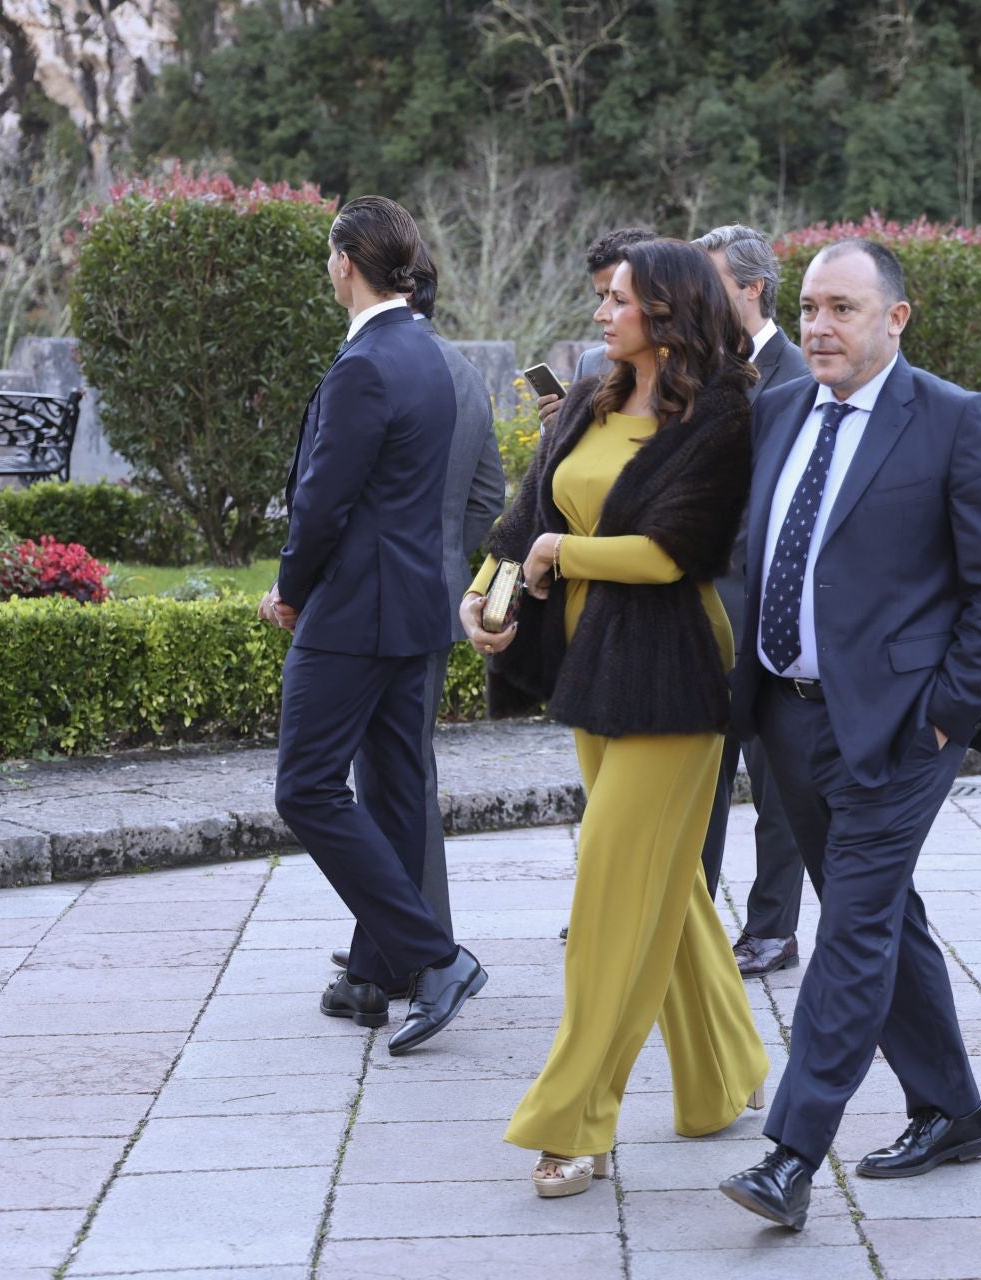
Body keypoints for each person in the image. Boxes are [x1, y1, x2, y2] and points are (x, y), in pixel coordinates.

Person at [718, 240, 981, 1230]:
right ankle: (951, 1107)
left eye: (843, 308)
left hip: (902, 732)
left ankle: (790, 1151)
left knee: (851, 927)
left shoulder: (953, 420)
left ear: (895, 318)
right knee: (886, 914)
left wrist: (944, 710)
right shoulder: (776, 410)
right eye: (811, 306)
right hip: (788, 716)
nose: (819, 324)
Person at [466, 238, 769, 1199]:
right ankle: (725, 1075)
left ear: (669, 313)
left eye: (622, 300)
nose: (603, 313)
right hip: (589, 669)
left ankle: (578, 1117)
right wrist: (490, 591)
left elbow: (678, 553)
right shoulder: (595, 394)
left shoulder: (725, 409)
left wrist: (565, 551)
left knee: (608, 891)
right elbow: (525, 517)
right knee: (663, 885)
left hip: (675, 672)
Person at [264, 195, 488, 1055]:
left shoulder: (366, 363)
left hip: (355, 612)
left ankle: (435, 957)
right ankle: (382, 969)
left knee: (308, 788)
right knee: (396, 793)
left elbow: (324, 502)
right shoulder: (431, 355)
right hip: (419, 608)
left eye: (330, 258)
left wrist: (291, 589)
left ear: (345, 264)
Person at [325, 248, 506, 986]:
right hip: (435, 597)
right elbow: (488, 497)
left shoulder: (379, 366)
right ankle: (393, 951)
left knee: (376, 782)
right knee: (402, 777)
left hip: (368, 604)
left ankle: (416, 952)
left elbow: (339, 497)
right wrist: (449, 574)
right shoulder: (464, 373)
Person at [692, 223, 812, 977]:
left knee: (778, 780)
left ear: (752, 290)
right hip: (706, 598)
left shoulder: (795, 374)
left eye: (711, 287)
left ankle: (773, 927)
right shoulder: (702, 369)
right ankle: (686, 912)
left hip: (768, 606)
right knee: (700, 769)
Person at [537, 227, 658, 427]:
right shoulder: (592, 363)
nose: (600, 314)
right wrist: (560, 428)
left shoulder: (707, 378)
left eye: (619, 299)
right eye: (601, 297)